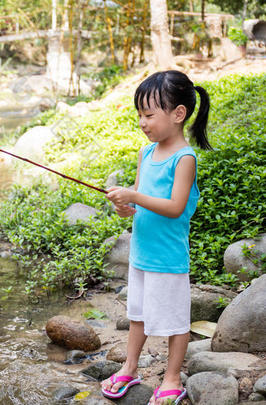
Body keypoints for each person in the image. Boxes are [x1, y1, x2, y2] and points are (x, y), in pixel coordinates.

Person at [100, 70, 212, 405]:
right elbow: (140, 200)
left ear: (178, 114)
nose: (143, 123)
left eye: (149, 115)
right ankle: (130, 368)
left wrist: (134, 197)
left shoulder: (184, 158)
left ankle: (172, 378)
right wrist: (125, 206)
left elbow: (175, 206)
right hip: (141, 254)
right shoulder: (145, 154)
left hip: (167, 257)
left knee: (175, 322)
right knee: (138, 315)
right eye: (140, 116)